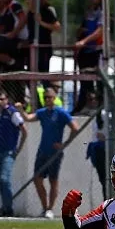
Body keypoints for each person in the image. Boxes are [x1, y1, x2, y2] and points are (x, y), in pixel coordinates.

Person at [18, 86, 78, 218]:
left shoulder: (61, 113)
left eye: (49, 97)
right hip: (42, 150)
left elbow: (75, 128)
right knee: (37, 179)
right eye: (45, 98)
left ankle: (50, 209)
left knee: (53, 180)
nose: (47, 100)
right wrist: (20, 110)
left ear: (54, 98)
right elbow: (28, 118)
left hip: (54, 152)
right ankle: (44, 207)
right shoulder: (43, 112)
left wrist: (64, 144)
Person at [0, 91, 27, 217]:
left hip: (8, 151)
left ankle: (9, 209)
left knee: (4, 179)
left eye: (1, 99)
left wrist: (18, 149)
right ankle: (5, 208)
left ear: (7, 100)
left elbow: (24, 131)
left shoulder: (12, 113)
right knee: (1, 181)